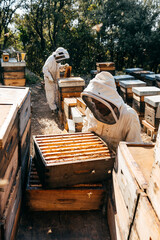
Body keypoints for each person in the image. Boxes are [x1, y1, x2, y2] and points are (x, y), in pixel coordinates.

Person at [81, 71, 142, 153]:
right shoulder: (92, 110)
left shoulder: (129, 116)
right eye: (94, 102)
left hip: (117, 163)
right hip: (93, 156)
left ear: (110, 100)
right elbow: (85, 129)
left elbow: (134, 151)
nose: (96, 107)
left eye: (99, 103)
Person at [42, 47, 70, 113]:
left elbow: (59, 68)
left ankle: (55, 106)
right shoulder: (51, 59)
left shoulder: (57, 60)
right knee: (50, 93)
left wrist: (63, 66)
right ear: (58, 55)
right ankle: (53, 109)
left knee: (55, 93)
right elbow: (44, 69)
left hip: (55, 78)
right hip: (49, 80)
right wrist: (49, 77)